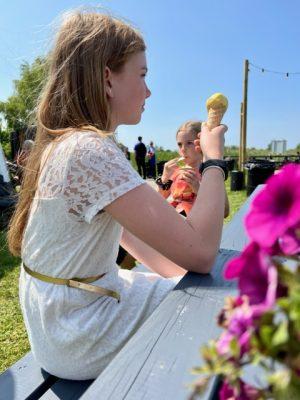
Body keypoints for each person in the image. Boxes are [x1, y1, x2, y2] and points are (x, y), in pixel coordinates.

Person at [8, 11, 228, 380]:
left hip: (60, 326)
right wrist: (214, 159)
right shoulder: (90, 151)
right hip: (80, 333)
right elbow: (204, 253)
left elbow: (126, 232)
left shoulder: (68, 144)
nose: (148, 90)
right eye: (142, 75)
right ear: (108, 77)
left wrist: (180, 273)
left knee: (197, 291)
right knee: (231, 308)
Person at [157, 120, 229, 217]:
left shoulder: (210, 172)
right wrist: (164, 178)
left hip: (200, 226)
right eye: (179, 144)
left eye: (189, 143)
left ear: (201, 143)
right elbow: (157, 201)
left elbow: (225, 211)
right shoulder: (176, 172)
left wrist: (199, 190)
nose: (183, 149)